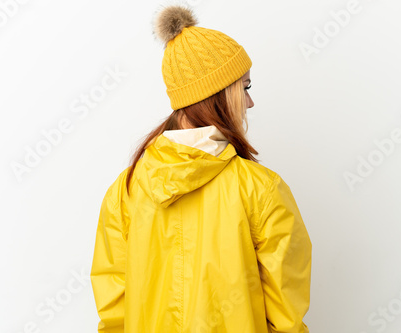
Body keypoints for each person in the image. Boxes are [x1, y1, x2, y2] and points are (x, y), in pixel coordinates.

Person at [90, 3, 312, 332]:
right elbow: (286, 314)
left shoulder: (126, 190)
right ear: (217, 94)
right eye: (245, 87)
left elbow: (113, 311)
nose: (249, 102)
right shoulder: (260, 189)